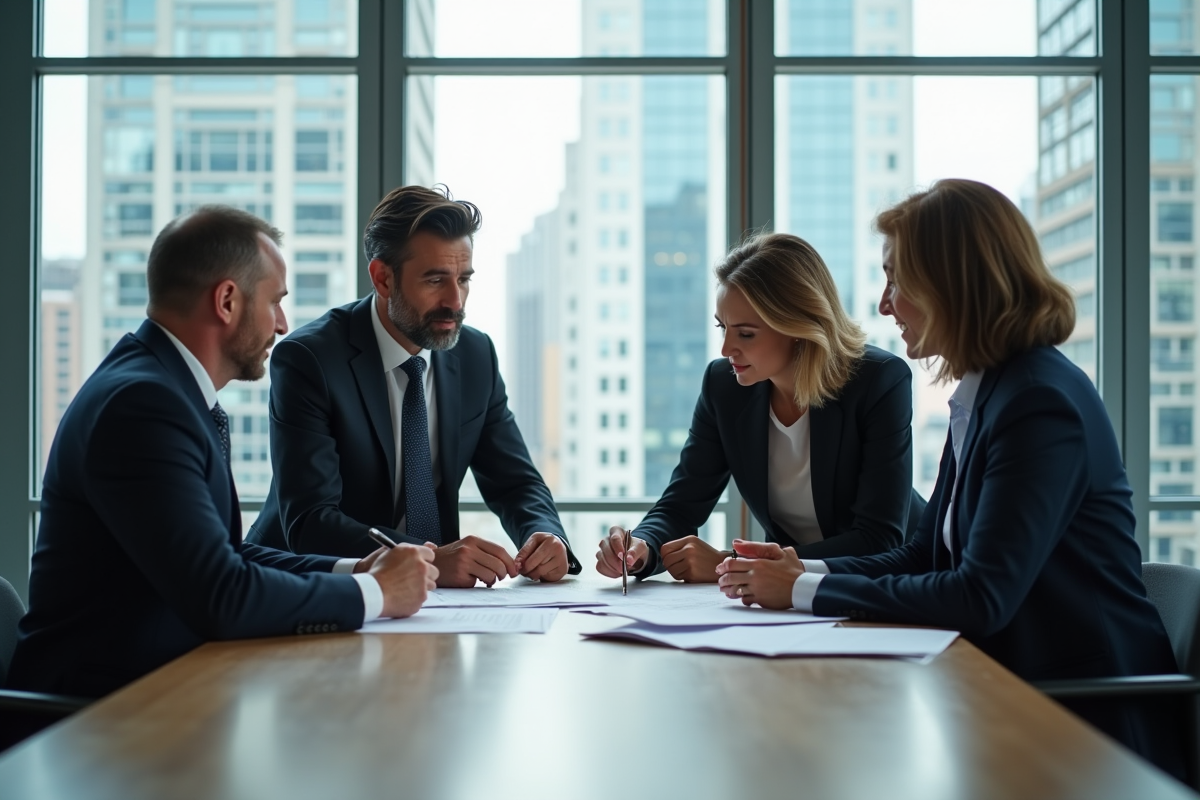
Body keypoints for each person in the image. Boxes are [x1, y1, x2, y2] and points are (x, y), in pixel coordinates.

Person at [716, 179, 1185, 779]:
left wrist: (803, 590)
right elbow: (924, 555)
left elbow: (979, 596)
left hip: (1083, 724)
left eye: (898, 281)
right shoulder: (985, 395)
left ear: (954, 285)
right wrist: (797, 570)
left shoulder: (1039, 403)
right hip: (1005, 693)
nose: (885, 305)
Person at [6, 207, 438, 698]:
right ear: (227, 300)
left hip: (157, 693)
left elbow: (224, 556)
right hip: (90, 718)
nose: (282, 324)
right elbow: (221, 593)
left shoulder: (165, 391)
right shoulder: (143, 406)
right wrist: (378, 593)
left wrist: (357, 569)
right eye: (275, 302)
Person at [247, 185, 579, 586]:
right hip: (310, 590)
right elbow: (311, 521)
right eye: (436, 280)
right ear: (383, 278)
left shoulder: (476, 355)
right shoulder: (310, 360)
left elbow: (516, 482)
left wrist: (546, 536)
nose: (455, 301)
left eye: (464, 279)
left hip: (435, 605)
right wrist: (431, 560)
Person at [596, 232, 924, 585]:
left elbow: (878, 539)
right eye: (723, 328)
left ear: (798, 325)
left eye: (746, 334)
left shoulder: (878, 381)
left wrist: (733, 563)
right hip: (787, 594)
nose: (725, 349)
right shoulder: (724, 386)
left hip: (889, 585)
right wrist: (641, 547)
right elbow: (682, 503)